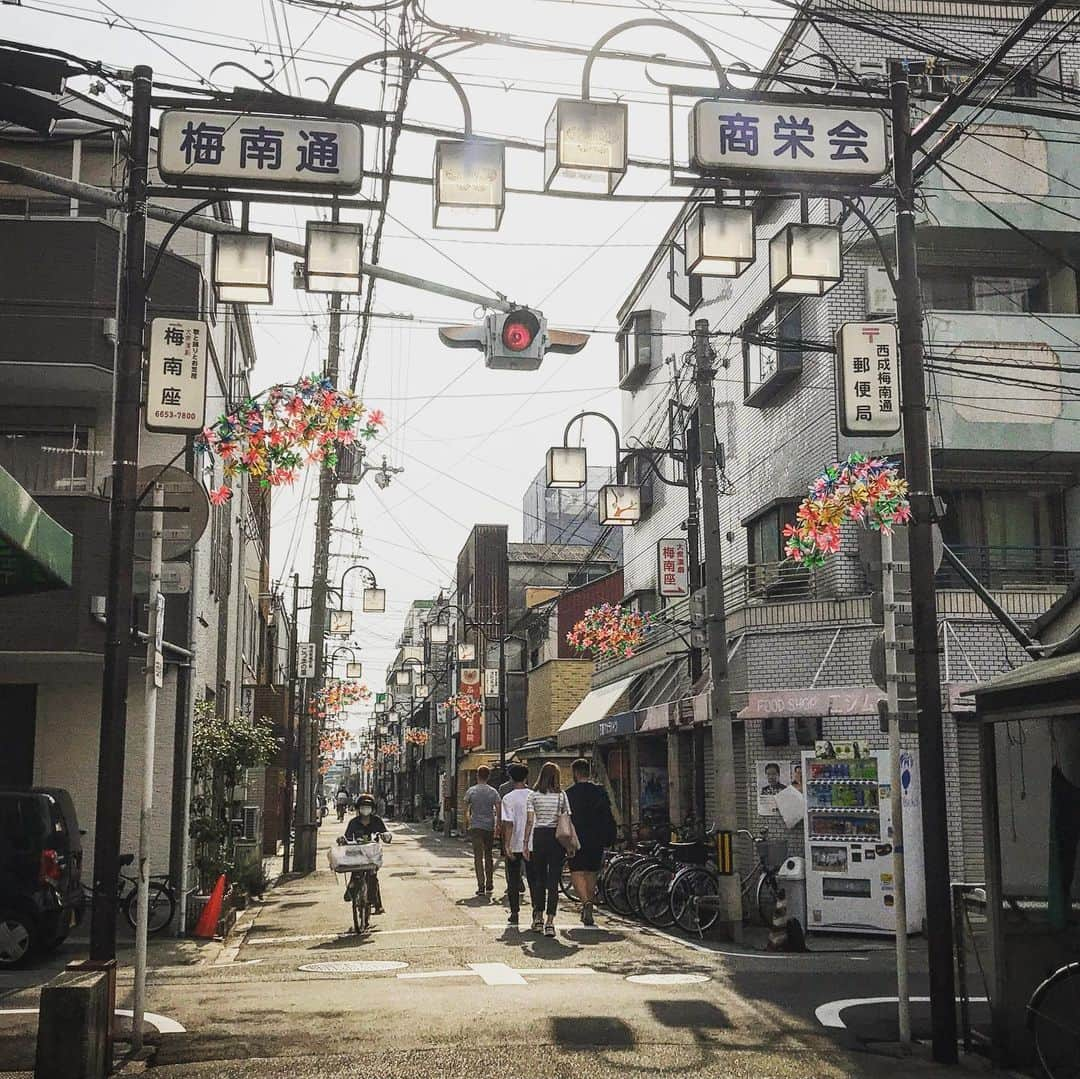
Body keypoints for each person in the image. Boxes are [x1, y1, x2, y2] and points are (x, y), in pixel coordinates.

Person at [565, 758, 616, 927]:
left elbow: (565, 818)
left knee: (577, 870)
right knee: (592, 871)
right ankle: (589, 904)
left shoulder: (569, 794)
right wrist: (610, 836)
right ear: (588, 772)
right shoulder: (600, 791)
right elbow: (608, 815)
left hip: (576, 838)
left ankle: (586, 902)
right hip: (596, 837)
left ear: (575, 773)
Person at [525, 761, 570, 937]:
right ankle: (550, 922)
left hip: (539, 837)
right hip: (557, 839)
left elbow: (530, 821)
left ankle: (538, 918)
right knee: (553, 881)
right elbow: (567, 820)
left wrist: (525, 843)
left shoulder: (533, 796)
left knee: (539, 880)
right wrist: (569, 844)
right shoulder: (562, 796)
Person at [341, 793, 390, 915]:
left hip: (372, 855)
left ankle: (376, 904)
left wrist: (385, 835)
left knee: (372, 877)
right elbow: (347, 837)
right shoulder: (353, 822)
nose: (365, 809)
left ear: (373, 809)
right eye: (362, 806)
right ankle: (351, 890)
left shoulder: (377, 821)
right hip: (357, 854)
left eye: (368, 807)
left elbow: (386, 834)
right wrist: (343, 840)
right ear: (358, 808)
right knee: (355, 873)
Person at [499, 764, 530, 927]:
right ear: (526, 778)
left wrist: (507, 844)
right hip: (532, 844)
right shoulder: (534, 796)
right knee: (535, 878)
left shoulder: (508, 798)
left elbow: (508, 824)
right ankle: (537, 914)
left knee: (513, 879)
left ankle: (514, 912)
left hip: (515, 843)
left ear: (511, 778)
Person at [464, 766, 501, 896]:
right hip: (489, 826)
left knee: (478, 857)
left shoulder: (471, 791)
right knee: (489, 855)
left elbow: (467, 810)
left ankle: (481, 886)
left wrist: (468, 823)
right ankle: (490, 883)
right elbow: (498, 809)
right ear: (488, 776)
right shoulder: (493, 792)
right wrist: (498, 825)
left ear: (477, 776)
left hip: (476, 826)